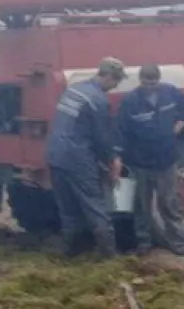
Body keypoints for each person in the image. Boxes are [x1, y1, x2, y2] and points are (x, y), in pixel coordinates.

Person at [45, 57, 126, 258]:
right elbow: (102, 137)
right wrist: (113, 159)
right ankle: (109, 255)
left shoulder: (74, 90)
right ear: (108, 77)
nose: (115, 86)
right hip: (77, 158)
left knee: (68, 208)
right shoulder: (98, 100)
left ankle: (71, 252)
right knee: (95, 205)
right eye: (116, 81)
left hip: (55, 154)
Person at [117, 64, 184, 256]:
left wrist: (180, 124)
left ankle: (178, 243)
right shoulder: (130, 102)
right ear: (140, 80)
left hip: (166, 159)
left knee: (169, 203)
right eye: (146, 83)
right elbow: (121, 131)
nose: (150, 86)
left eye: (153, 82)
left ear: (159, 80)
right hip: (140, 162)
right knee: (141, 206)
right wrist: (119, 157)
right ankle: (144, 244)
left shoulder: (170, 92)